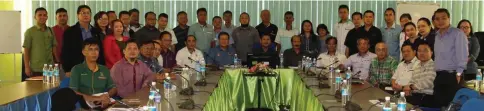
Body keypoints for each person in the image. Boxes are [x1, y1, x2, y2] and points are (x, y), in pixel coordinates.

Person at [433, 8, 468, 107]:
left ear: (449, 18)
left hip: (452, 76)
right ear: (434, 21)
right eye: (437, 19)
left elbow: (463, 55)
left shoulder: (457, 33)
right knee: (439, 105)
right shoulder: (436, 35)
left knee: (451, 106)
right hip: (439, 76)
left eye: (443, 18)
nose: (440, 21)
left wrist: (459, 73)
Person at [69, 38, 116, 108]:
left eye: (96, 49)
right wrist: (96, 98)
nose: (94, 52)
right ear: (84, 52)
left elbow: (113, 88)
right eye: (90, 49)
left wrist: (106, 96)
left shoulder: (104, 69)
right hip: (84, 105)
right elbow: (73, 92)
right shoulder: (77, 69)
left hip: (103, 104)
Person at [62, 5, 105, 77]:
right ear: (77, 15)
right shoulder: (70, 31)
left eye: (88, 13)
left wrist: (102, 67)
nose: (86, 15)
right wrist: (68, 69)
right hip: (76, 67)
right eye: (83, 13)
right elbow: (65, 52)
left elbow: (100, 51)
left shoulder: (96, 32)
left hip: (94, 68)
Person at [23, 7, 58, 77]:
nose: (42, 17)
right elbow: (26, 50)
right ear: (35, 17)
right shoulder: (30, 31)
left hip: (50, 68)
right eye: (40, 15)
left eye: (44, 15)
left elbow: (54, 48)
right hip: (36, 69)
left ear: (47, 17)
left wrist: (57, 62)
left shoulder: (50, 30)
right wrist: (27, 67)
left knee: (51, 87)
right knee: (36, 88)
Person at [403, 43, 437, 107]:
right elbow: (412, 80)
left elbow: (429, 82)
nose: (421, 53)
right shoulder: (417, 66)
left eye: (425, 51)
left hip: (427, 97)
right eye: (419, 51)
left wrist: (410, 87)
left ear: (431, 52)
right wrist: (408, 88)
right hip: (416, 96)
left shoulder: (435, 65)